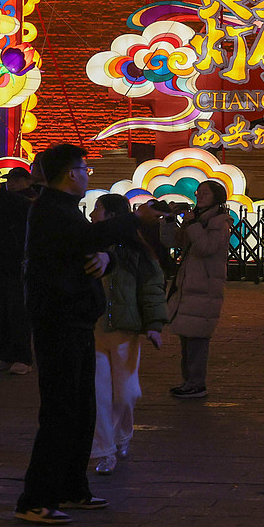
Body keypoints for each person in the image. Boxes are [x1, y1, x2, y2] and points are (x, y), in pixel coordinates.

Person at [14, 144, 140, 524]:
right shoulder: (49, 210)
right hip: (58, 321)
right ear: (71, 173)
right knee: (60, 411)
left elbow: (87, 247)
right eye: (85, 169)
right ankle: (35, 500)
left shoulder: (66, 210)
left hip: (79, 321)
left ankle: (71, 488)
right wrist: (134, 219)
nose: (88, 175)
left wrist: (107, 257)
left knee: (82, 410)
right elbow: (85, 240)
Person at [90, 195, 167, 473]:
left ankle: (122, 434)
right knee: (99, 395)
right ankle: (105, 451)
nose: (92, 215)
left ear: (112, 217)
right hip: (93, 331)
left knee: (125, 394)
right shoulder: (88, 246)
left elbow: (152, 288)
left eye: (97, 210)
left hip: (125, 331)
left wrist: (154, 325)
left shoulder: (136, 250)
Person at [162, 179, 232, 399]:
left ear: (216, 198)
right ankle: (189, 381)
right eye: (198, 192)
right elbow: (172, 242)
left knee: (197, 338)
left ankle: (197, 384)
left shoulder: (220, 222)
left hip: (205, 287)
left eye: (205, 193)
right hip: (189, 285)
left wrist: (191, 224)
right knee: (187, 335)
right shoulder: (197, 219)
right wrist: (170, 219)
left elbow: (205, 247)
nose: (199, 195)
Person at [0, 163, 35, 373]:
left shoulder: (31, 199)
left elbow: (22, 209)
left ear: (28, 181)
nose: (11, 184)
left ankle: (23, 358)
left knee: (17, 312)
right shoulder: (3, 199)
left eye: (16, 180)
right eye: (9, 180)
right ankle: (4, 355)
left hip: (17, 262)